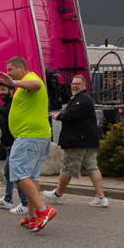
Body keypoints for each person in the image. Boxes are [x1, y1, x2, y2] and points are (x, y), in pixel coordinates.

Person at [0, 56, 56, 232]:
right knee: (31, 177)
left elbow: (37, 85)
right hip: (38, 136)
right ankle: (32, 215)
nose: (8, 73)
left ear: (20, 67)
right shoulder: (24, 83)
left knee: (18, 173)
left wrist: (13, 82)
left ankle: (44, 210)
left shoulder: (31, 78)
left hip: (29, 137)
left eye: (10, 69)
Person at [43, 75, 108, 207]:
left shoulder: (82, 99)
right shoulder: (82, 98)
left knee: (67, 168)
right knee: (92, 167)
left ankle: (57, 195)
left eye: (78, 84)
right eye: (73, 84)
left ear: (84, 86)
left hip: (78, 141)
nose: (74, 86)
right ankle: (101, 198)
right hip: (88, 141)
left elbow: (70, 115)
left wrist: (58, 116)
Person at [0, 82, 28, 214]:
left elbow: (11, 126)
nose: (0, 92)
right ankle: (8, 199)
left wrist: (7, 141)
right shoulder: (8, 105)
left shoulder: (12, 106)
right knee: (8, 172)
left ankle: (25, 203)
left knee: (16, 174)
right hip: (12, 144)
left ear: (12, 91)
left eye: (3, 89)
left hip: (14, 144)